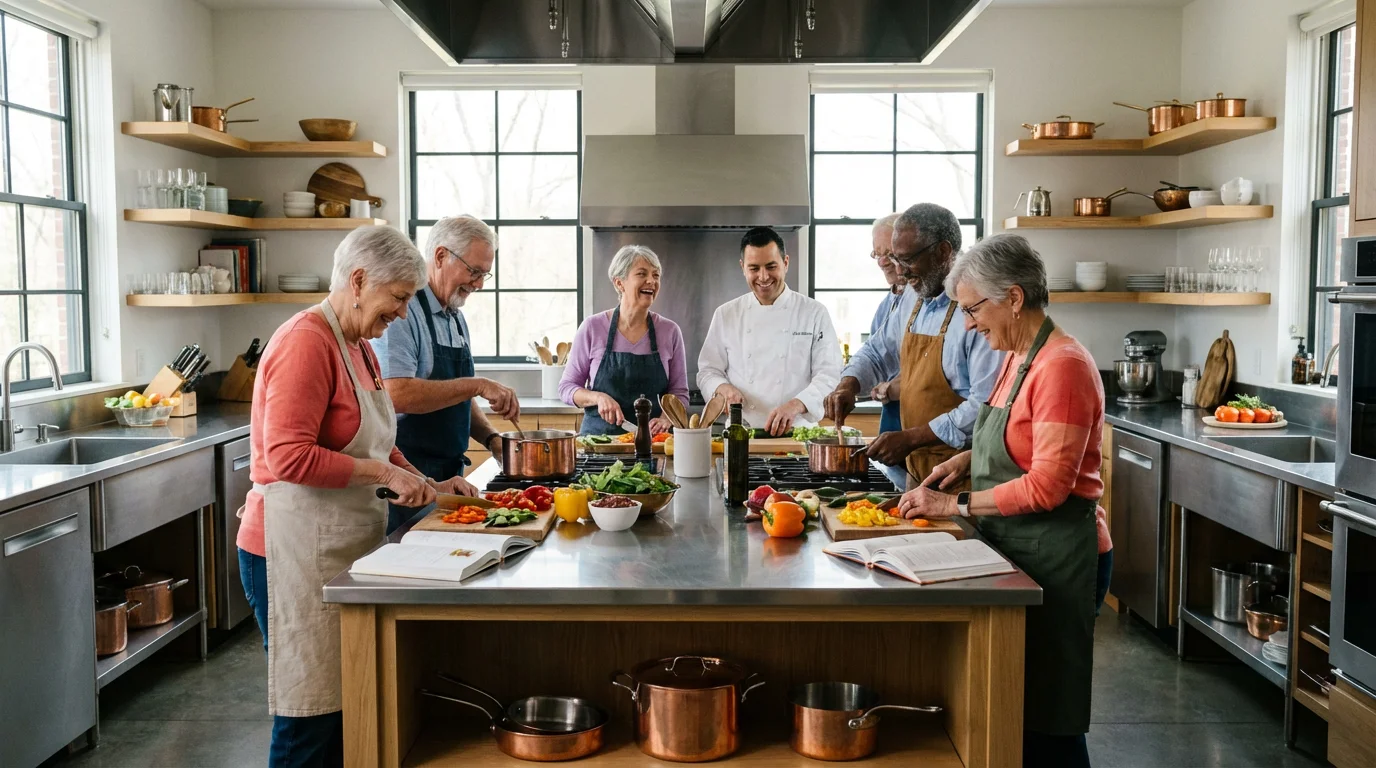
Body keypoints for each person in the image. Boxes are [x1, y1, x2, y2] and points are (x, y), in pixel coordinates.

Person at [896, 233, 1113, 768]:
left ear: (1013, 298)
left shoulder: (1063, 365)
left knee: (1049, 717)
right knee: (1016, 707)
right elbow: (1009, 434)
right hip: (1021, 551)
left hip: (1059, 557)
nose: (969, 323)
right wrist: (961, 461)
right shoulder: (1018, 356)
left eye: (974, 309)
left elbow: (1048, 486)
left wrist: (957, 507)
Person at [237, 225, 439, 767]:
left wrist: (428, 483)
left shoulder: (357, 344)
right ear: (358, 280)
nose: (400, 314)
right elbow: (287, 457)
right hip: (289, 553)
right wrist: (384, 474)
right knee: (311, 713)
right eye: (397, 298)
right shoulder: (306, 340)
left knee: (344, 707)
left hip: (336, 547)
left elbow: (380, 442)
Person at [823, 203, 1000, 487]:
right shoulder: (912, 297)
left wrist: (913, 437)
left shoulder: (979, 307)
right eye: (895, 259)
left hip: (965, 474)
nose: (901, 272)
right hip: (918, 471)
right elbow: (877, 350)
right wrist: (849, 383)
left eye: (907, 260)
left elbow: (987, 406)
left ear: (943, 251)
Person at [372, 215, 519, 533]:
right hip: (408, 482)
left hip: (448, 478)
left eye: (484, 274)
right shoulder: (403, 312)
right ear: (440, 256)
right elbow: (396, 395)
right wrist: (479, 384)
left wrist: (492, 440)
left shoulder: (454, 316)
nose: (478, 283)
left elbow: (460, 397)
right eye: (474, 271)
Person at [698, 227, 842, 435]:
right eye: (754, 268)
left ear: (785, 263)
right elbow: (708, 371)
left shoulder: (813, 313)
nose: (763, 277)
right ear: (743, 267)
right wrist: (723, 389)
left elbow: (829, 374)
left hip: (798, 433)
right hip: (742, 434)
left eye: (771, 266)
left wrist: (796, 404)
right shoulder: (726, 314)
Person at [559, 244, 690, 435]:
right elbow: (567, 388)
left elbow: (680, 394)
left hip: (651, 444)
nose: (651, 281)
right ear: (619, 283)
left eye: (656, 275)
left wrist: (665, 419)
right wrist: (598, 398)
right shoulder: (592, 328)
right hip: (599, 444)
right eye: (642, 274)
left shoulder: (669, 331)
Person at [845, 213, 917, 488]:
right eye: (877, 254)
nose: (884, 261)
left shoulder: (934, 299)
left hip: (924, 434)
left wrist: (894, 387)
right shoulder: (887, 306)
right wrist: (849, 384)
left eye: (890, 253)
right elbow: (876, 354)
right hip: (893, 425)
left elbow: (936, 375)